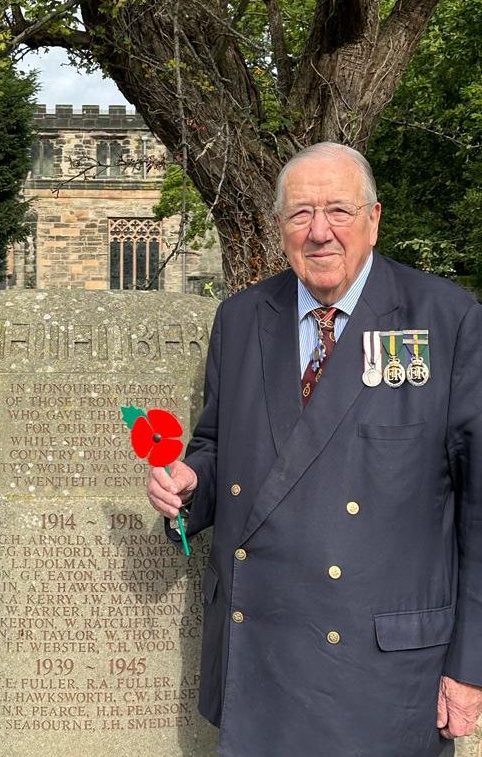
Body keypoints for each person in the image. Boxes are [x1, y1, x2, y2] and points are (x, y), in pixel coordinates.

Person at [147, 142, 482, 756]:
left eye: (338, 211)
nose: (320, 232)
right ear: (279, 228)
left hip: (382, 673)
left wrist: (471, 666)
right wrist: (190, 485)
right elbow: (220, 445)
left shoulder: (447, 320)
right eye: (301, 214)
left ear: (374, 218)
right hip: (262, 659)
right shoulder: (243, 318)